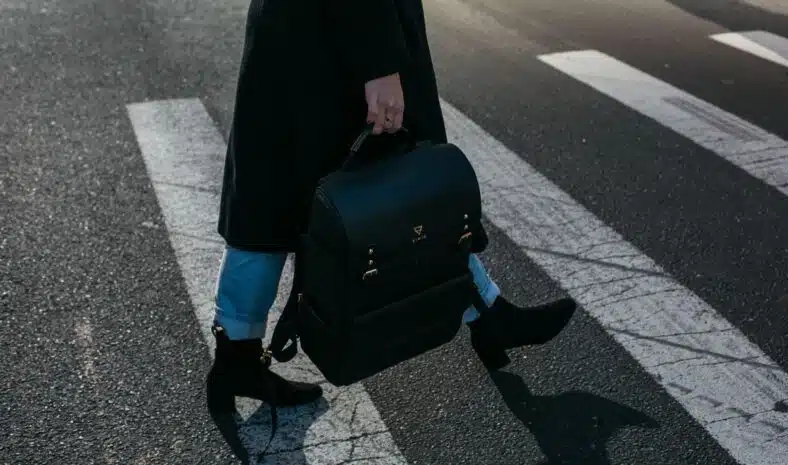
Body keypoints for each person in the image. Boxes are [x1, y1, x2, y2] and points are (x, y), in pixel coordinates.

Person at [205, 0, 579, 412]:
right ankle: (490, 316)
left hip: (306, 32)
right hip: (337, 42)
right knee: (406, 187)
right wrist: (379, 61)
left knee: (272, 200)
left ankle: (237, 356)